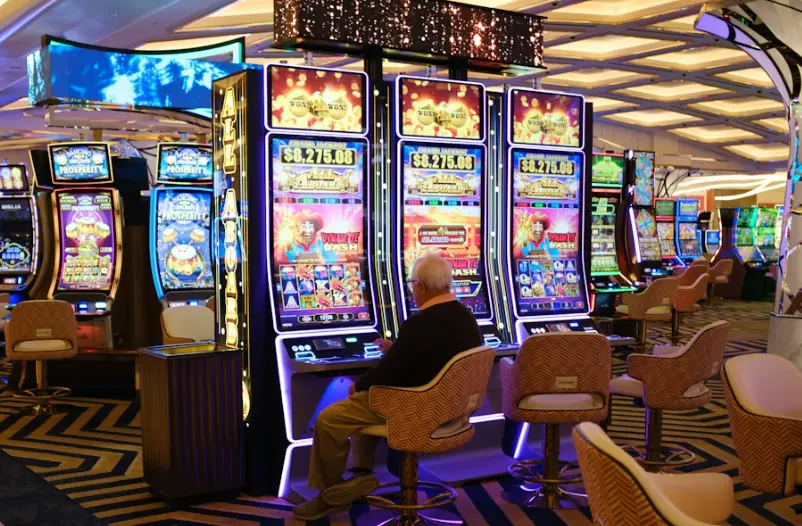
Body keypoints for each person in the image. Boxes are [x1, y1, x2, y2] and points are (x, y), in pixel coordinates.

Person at [293, 253, 483, 520]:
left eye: (412, 285)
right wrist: (398, 349)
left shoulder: (420, 324)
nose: (412, 291)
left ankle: (329, 494)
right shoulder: (466, 317)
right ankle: (360, 474)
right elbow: (432, 356)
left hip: (417, 411)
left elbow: (389, 373)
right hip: (452, 410)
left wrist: (360, 384)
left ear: (421, 286)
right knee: (367, 401)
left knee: (331, 418)